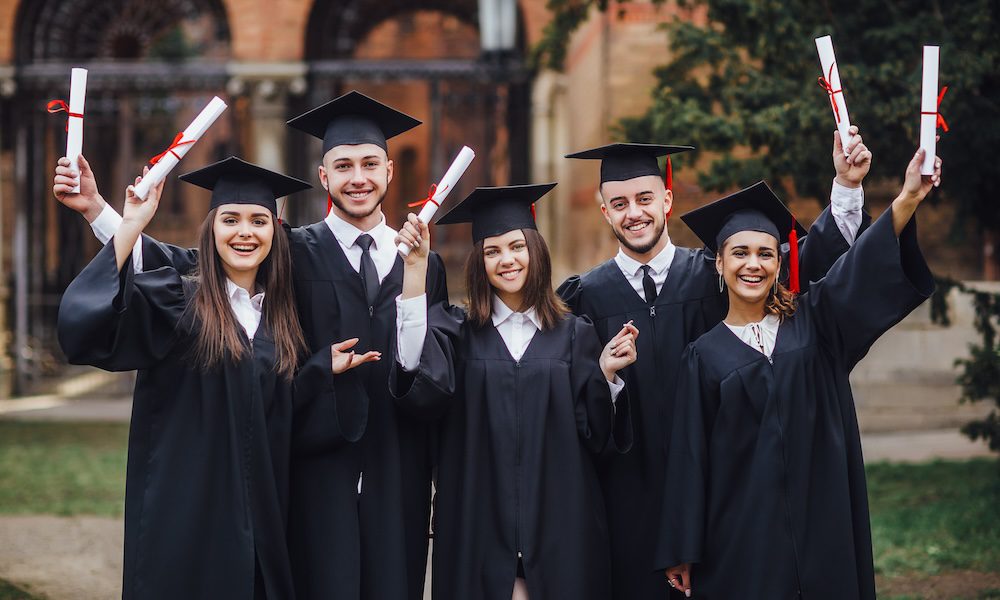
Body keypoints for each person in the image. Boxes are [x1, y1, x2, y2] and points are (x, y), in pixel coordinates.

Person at [55, 91, 449, 599]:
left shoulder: (420, 263)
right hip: (306, 480)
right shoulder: (291, 251)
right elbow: (187, 268)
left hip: (395, 481)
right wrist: (103, 213)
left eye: (370, 164)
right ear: (323, 176)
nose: (359, 178)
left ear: (390, 172)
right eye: (344, 165)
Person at [557, 128, 872, 599]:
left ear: (667, 199)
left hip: (723, 498)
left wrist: (846, 189)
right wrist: (605, 377)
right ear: (605, 211)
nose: (634, 213)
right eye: (619, 203)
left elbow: (801, 263)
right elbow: (576, 412)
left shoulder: (716, 271)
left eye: (644, 198)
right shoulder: (585, 299)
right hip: (629, 506)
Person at [656, 147, 942, 599]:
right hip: (744, 540)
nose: (754, 264)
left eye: (766, 254)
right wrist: (682, 549)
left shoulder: (816, 322)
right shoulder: (702, 356)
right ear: (719, 262)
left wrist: (907, 197)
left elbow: (859, 267)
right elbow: (691, 460)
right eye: (740, 253)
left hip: (823, 524)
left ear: (780, 263)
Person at [390, 184, 635, 600]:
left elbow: (597, 437)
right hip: (479, 526)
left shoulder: (576, 335)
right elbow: (415, 374)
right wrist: (414, 274)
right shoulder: (458, 332)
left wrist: (607, 378)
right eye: (492, 251)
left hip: (561, 529)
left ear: (535, 251)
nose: (506, 260)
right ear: (479, 262)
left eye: (516, 246)